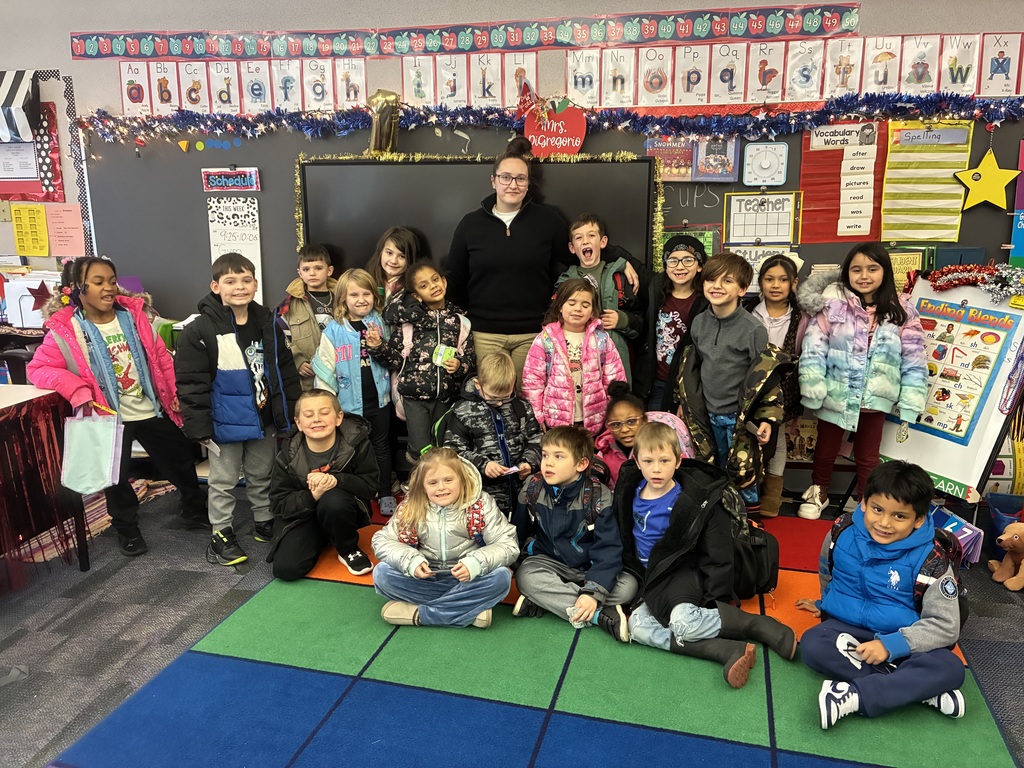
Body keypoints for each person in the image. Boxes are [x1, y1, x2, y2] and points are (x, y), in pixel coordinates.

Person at [27, 256, 207, 556]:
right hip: (109, 416)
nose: (108, 288)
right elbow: (38, 368)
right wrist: (77, 389)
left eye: (112, 281)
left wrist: (174, 390)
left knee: (180, 456)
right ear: (77, 288)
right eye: (98, 282)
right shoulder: (67, 329)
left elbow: (161, 358)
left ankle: (194, 509)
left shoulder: (133, 317)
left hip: (148, 407)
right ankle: (126, 527)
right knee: (116, 476)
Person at [614, 422, 797, 688]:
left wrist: (714, 598)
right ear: (637, 462)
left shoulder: (690, 499)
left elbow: (716, 552)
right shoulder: (631, 491)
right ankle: (723, 650)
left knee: (682, 623)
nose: (656, 469)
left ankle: (754, 625)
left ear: (678, 461)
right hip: (649, 579)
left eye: (664, 461)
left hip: (680, 572)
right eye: (648, 461)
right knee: (638, 628)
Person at [445, 137, 638, 383]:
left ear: (528, 183)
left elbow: (578, 251)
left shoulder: (547, 220)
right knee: (489, 397)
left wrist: (621, 259)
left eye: (520, 178)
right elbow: (455, 276)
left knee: (529, 398)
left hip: (533, 334)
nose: (513, 184)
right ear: (494, 181)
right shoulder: (470, 224)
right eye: (505, 177)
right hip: (484, 334)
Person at [796, 461, 966, 728]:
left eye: (899, 516)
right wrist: (825, 603)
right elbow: (827, 571)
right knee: (813, 645)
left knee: (951, 668)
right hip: (848, 631)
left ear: (919, 519)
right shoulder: (841, 531)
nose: (884, 523)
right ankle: (917, 689)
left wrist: (891, 645)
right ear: (864, 503)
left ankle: (853, 695)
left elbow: (946, 626)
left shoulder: (932, 558)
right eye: (877, 509)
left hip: (905, 639)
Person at [175, 252, 301, 566]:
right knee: (223, 480)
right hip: (224, 423)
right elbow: (191, 383)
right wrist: (199, 426)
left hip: (263, 417)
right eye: (230, 281)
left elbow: (284, 369)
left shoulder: (268, 322)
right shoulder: (200, 330)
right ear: (215, 286)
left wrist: (291, 409)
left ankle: (264, 520)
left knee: (262, 473)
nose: (240, 287)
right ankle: (221, 532)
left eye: (246, 280)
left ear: (256, 284)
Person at [796, 243, 927, 520]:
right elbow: (814, 347)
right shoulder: (832, 304)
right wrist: (813, 385)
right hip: (836, 393)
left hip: (875, 396)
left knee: (868, 456)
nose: (864, 276)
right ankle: (818, 491)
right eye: (856, 269)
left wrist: (911, 401)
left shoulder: (902, 309)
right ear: (847, 273)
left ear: (885, 271)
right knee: (825, 448)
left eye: (872, 269)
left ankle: (867, 502)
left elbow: (914, 358)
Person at [674, 252, 789, 511]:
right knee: (711, 469)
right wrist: (683, 402)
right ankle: (719, 518)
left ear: (743, 289)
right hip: (705, 414)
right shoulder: (699, 323)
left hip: (739, 419)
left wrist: (766, 419)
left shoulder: (753, 329)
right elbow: (690, 368)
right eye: (711, 280)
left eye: (727, 281)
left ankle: (747, 520)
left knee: (743, 473)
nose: (717, 286)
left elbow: (766, 379)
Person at [511, 426, 637, 642]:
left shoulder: (599, 496)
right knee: (526, 576)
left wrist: (593, 591)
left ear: (581, 464)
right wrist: (514, 563)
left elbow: (608, 550)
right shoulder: (532, 488)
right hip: (549, 562)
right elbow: (517, 532)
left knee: (628, 586)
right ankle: (598, 615)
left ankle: (546, 600)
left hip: (590, 566)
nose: (548, 463)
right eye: (545, 455)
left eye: (558, 456)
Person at [371, 447, 518, 628]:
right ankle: (468, 610)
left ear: (462, 479)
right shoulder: (411, 506)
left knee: (501, 577)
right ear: (422, 486)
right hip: (426, 577)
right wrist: (410, 561)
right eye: (432, 482)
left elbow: (508, 544)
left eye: (448, 480)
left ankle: (420, 615)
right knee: (382, 574)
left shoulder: (481, 504)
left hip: (468, 578)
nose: (441, 487)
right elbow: (382, 540)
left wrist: (476, 563)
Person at [368, 261, 476, 462]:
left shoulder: (460, 321)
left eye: (435, 280)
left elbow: (470, 358)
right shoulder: (408, 323)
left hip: (446, 398)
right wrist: (378, 347)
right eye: (424, 285)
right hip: (414, 399)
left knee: (444, 448)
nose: (433, 286)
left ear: (444, 281)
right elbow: (395, 359)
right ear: (416, 295)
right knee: (419, 450)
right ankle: (418, 479)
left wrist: (460, 365)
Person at [268, 390, 379, 579]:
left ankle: (347, 548)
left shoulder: (357, 444)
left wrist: (337, 480)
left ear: (338, 417)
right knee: (286, 569)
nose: (317, 419)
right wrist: (312, 496)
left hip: (340, 510)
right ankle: (323, 536)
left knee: (333, 499)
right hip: (303, 515)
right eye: (308, 415)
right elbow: (278, 503)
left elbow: (370, 487)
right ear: (298, 423)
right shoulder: (288, 454)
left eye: (324, 413)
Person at [311, 268, 396, 516]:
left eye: (366, 294)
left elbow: (393, 357)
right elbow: (325, 369)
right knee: (352, 450)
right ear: (343, 299)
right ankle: (357, 493)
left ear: (374, 295)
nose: (361, 300)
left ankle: (385, 492)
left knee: (381, 447)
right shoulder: (334, 331)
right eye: (354, 295)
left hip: (379, 401)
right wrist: (328, 406)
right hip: (348, 406)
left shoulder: (381, 323)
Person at [440, 351, 542, 518]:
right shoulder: (462, 412)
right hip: (482, 499)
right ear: (478, 385)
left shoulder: (521, 407)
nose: (500, 403)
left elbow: (537, 440)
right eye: (493, 398)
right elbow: (452, 452)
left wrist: (529, 462)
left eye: (506, 397)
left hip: (521, 495)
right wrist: (483, 465)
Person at [745, 254, 808, 517]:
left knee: (777, 437)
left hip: (784, 387)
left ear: (794, 283)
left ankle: (772, 493)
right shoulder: (747, 310)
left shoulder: (802, 317)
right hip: (749, 386)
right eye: (769, 279)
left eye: (783, 280)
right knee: (748, 435)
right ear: (760, 282)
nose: (775, 285)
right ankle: (749, 488)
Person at [522, 278, 626, 435]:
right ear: (560, 306)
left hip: (594, 423)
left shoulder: (602, 340)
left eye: (585, 305)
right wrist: (537, 416)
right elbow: (533, 383)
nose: (578, 309)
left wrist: (614, 414)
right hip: (556, 423)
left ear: (592, 311)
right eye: (571, 303)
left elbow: (614, 380)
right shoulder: (545, 340)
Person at [555, 214, 644, 385]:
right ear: (572, 247)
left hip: (614, 363)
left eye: (591, 235)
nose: (585, 241)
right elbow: (553, 319)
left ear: (603, 242)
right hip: (575, 361)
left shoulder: (620, 278)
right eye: (579, 237)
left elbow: (640, 323)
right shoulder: (564, 282)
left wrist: (622, 319)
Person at [634, 235, 708, 411]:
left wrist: (688, 394)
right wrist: (625, 264)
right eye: (673, 260)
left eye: (688, 260)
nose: (680, 266)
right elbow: (631, 261)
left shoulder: (706, 300)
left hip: (687, 384)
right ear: (666, 265)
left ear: (699, 266)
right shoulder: (656, 288)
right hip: (655, 382)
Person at [594, 381, 693, 489]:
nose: (624, 429)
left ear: (644, 420)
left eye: (631, 422)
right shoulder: (605, 452)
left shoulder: (662, 442)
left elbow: (685, 475)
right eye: (616, 424)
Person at [275, 244, 337, 392]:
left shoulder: (343, 298)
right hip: (308, 381)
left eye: (318, 268)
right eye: (306, 269)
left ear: (329, 270)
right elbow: (279, 336)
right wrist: (297, 360)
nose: (312, 273)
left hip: (342, 374)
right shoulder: (289, 305)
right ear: (300, 273)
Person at [364, 226, 423, 306]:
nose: (393, 261)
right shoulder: (366, 279)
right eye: (389, 253)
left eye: (402, 256)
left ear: (410, 259)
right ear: (380, 252)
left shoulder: (412, 290)